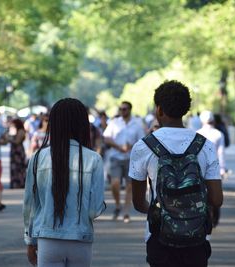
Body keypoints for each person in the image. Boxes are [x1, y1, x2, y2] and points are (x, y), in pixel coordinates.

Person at [129, 80, 223, 267]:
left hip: (159, 236)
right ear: (186, 109)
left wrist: (164, 213)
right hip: (196, 238)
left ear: (159, 110)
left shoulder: (144, 147)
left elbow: (138, 202)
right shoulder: (205, 146)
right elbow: (216, 200)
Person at [23, 98, 106, 267]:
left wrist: (29, 240)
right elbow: (95, 210)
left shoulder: (38, 158)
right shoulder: (93, 159)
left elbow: (30, 206)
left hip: (47, 238)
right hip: (80, 238)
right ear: (82, 124)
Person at [103, 101, 145, 223]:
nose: (122, 111)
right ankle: (117, 205)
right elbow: (106, 138)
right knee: (115, 183)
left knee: (129, 186)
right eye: (120, 109)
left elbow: (142, 141)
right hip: (116, 156)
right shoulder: (114, 122)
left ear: (130, 110)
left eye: (125, 109)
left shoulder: (137, 124)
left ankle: (126, 212)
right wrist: (118, 147)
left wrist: (131, 146)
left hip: (131, 158)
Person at [197, 110, 226, 228]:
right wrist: (223, 168)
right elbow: (221, 153)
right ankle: (214, 219)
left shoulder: (197, 133)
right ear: (213, 120)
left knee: (201, 193)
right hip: (215, 168)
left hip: (199, 168)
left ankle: (202, 215)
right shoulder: (218, 134)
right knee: (215, 195)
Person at [8, 118, 26, 189]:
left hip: (18, 151)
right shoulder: (16, 130)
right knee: (14, 168)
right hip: (15, 151)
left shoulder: (21, 131)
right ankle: (15, 183)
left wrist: (9, 139)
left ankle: (20, 183)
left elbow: (17, 141)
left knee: (19, 168)